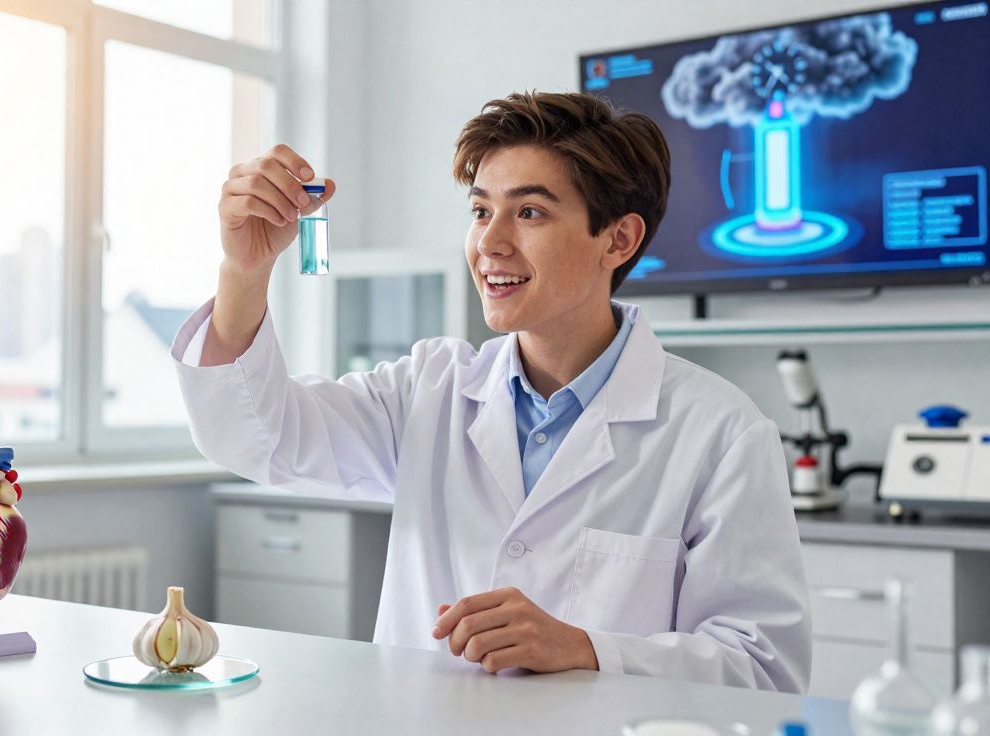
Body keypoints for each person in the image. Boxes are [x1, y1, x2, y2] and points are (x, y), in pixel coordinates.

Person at [171, 91, 810, 692]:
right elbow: (257, 440)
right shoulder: (430, 390)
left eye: (529, 212)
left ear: (618, 239)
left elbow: (763, 670)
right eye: (481, 211)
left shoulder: (720, 431)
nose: (489, 244)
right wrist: (244, 270)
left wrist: (586, 649)